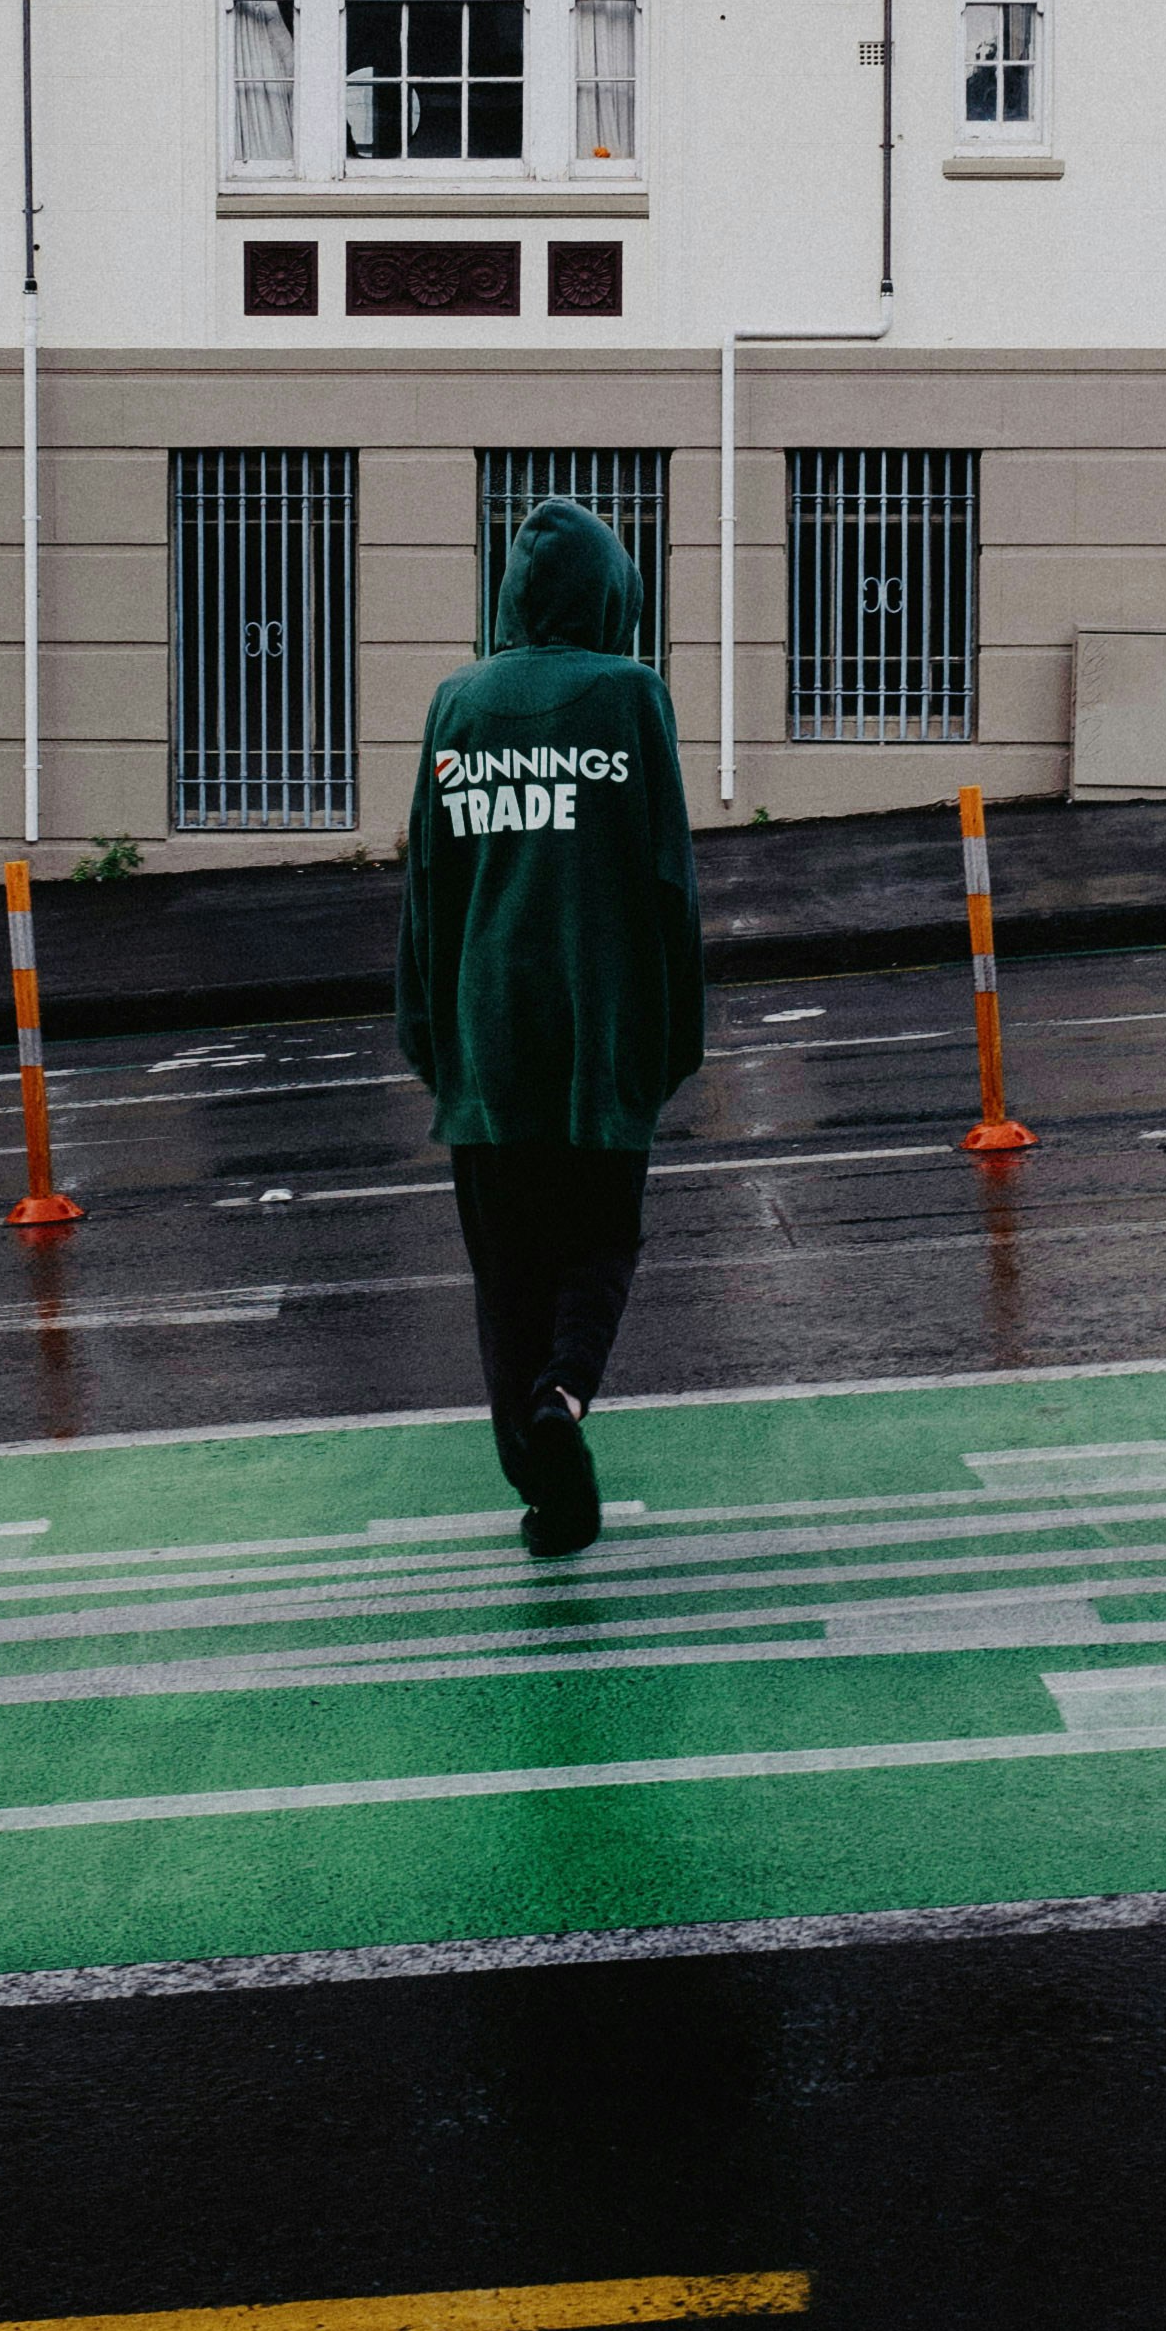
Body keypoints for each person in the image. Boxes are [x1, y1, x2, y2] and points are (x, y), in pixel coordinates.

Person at [393, 494, 705, 1558]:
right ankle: (563, 1397)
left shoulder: (456, 707)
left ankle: (545, 1496)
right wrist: (675, 1039)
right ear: (614, 596)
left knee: (506, 1281)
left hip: (483, 1042)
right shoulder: (631, 698)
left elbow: (427, 889)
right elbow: (669, 880)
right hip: (599, 1037)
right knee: (599, 1245)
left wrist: (428, 1041)